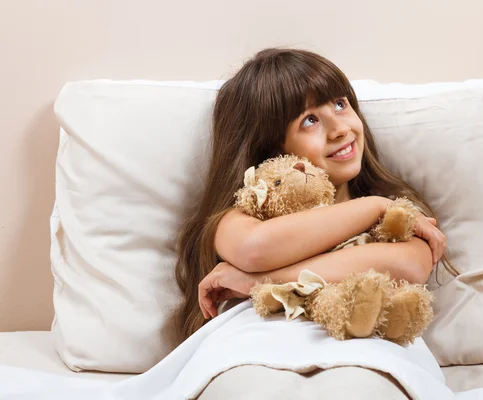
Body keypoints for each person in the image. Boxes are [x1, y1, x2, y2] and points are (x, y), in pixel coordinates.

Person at [173, 47, 449, 344]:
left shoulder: (395, 216)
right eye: (309, 120)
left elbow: (409, 267)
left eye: (340, 104)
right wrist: (373, 207)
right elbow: (254, 249)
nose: (340, 129)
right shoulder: (247, 215)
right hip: (258, 347)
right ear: (271, 149)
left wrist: (258, 282)